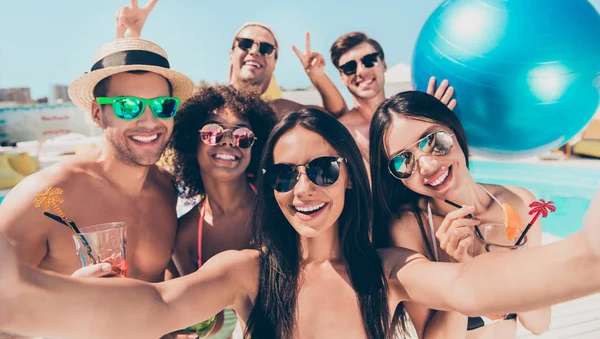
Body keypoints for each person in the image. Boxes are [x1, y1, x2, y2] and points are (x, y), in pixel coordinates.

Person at [2, 108, 600, 339]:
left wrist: (588, 255)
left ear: (349, 174)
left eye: (321, 169)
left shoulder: (387, 270)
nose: (304, 188)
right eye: (285, 176)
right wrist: (33, 299)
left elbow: (470, 289)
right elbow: (158, 307)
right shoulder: (245, 273)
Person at [0, 38, 193, 281]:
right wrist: (69, 297)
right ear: (96, 114)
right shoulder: (41, 198)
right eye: (127, 105)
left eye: (162, 106)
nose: (149, 121)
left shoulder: (166, 189)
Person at [369, 91, 551, 338]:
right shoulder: (408, 227)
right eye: (403, 160)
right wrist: (460, 270)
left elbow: (539, 323)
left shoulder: (522, 203)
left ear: (454, 130)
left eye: (433, 141)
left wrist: (511, 274)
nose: (428, 166)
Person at [115, 0, 348, 118]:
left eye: (266, 48)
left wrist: (317, 77)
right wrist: (131, 36)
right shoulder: (204, 101)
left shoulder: (278, 111)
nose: (254, 51)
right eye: (246, 44)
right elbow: (139, 98)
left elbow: (337, 116)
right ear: (231, 53)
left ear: (275, 62)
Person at [168, 84, 276, 337]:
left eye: (242, 135)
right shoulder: (184, 235)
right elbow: (207, 320)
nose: (228, 141)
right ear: (192, 142)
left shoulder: (278, 207)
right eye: (212, 133)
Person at [296, 31, 456, 162]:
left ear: (384, 64)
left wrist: (438, 123)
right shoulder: (342, 133)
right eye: (350, 67)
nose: (361, 71)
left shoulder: (414, 116)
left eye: (369, 61)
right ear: (342, 77)